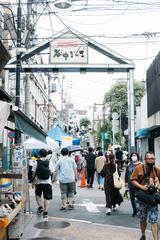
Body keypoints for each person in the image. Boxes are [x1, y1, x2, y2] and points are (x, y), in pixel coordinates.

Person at [130, 151, 160, 240]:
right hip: (141, 198)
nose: (151, 161)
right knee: (143, 219)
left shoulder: (156, 170)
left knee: (153, 220)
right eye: (149, 159)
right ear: (145, 159)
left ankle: (155, 239)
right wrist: (142, 187)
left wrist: (157, 187)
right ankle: (143, 235)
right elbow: (132, 180)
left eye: (153, 159)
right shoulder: (138, 168)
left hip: (153, 199)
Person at [32, 149, 54, 220]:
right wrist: (50, 178)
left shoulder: (36, 162)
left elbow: (33, 173)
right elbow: (52, 172)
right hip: (48, 182)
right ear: (46, 154)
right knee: (47, 197)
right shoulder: (49, 162)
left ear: (39, 154)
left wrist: (33, 181)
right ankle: (45, 212)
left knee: (38, 194)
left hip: (39, 182)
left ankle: (40, 207)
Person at [125, 152, 141, 216]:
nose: (133, 157)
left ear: (137, 157)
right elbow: (127, 174)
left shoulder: (140, 165)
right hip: (130, 184)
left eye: (134, 155)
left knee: (138, 198)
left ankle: (139, 210)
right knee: (132, 198)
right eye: (132, 156)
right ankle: (135, 210)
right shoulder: (129, 164)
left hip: (138, 184)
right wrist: (126, 182)